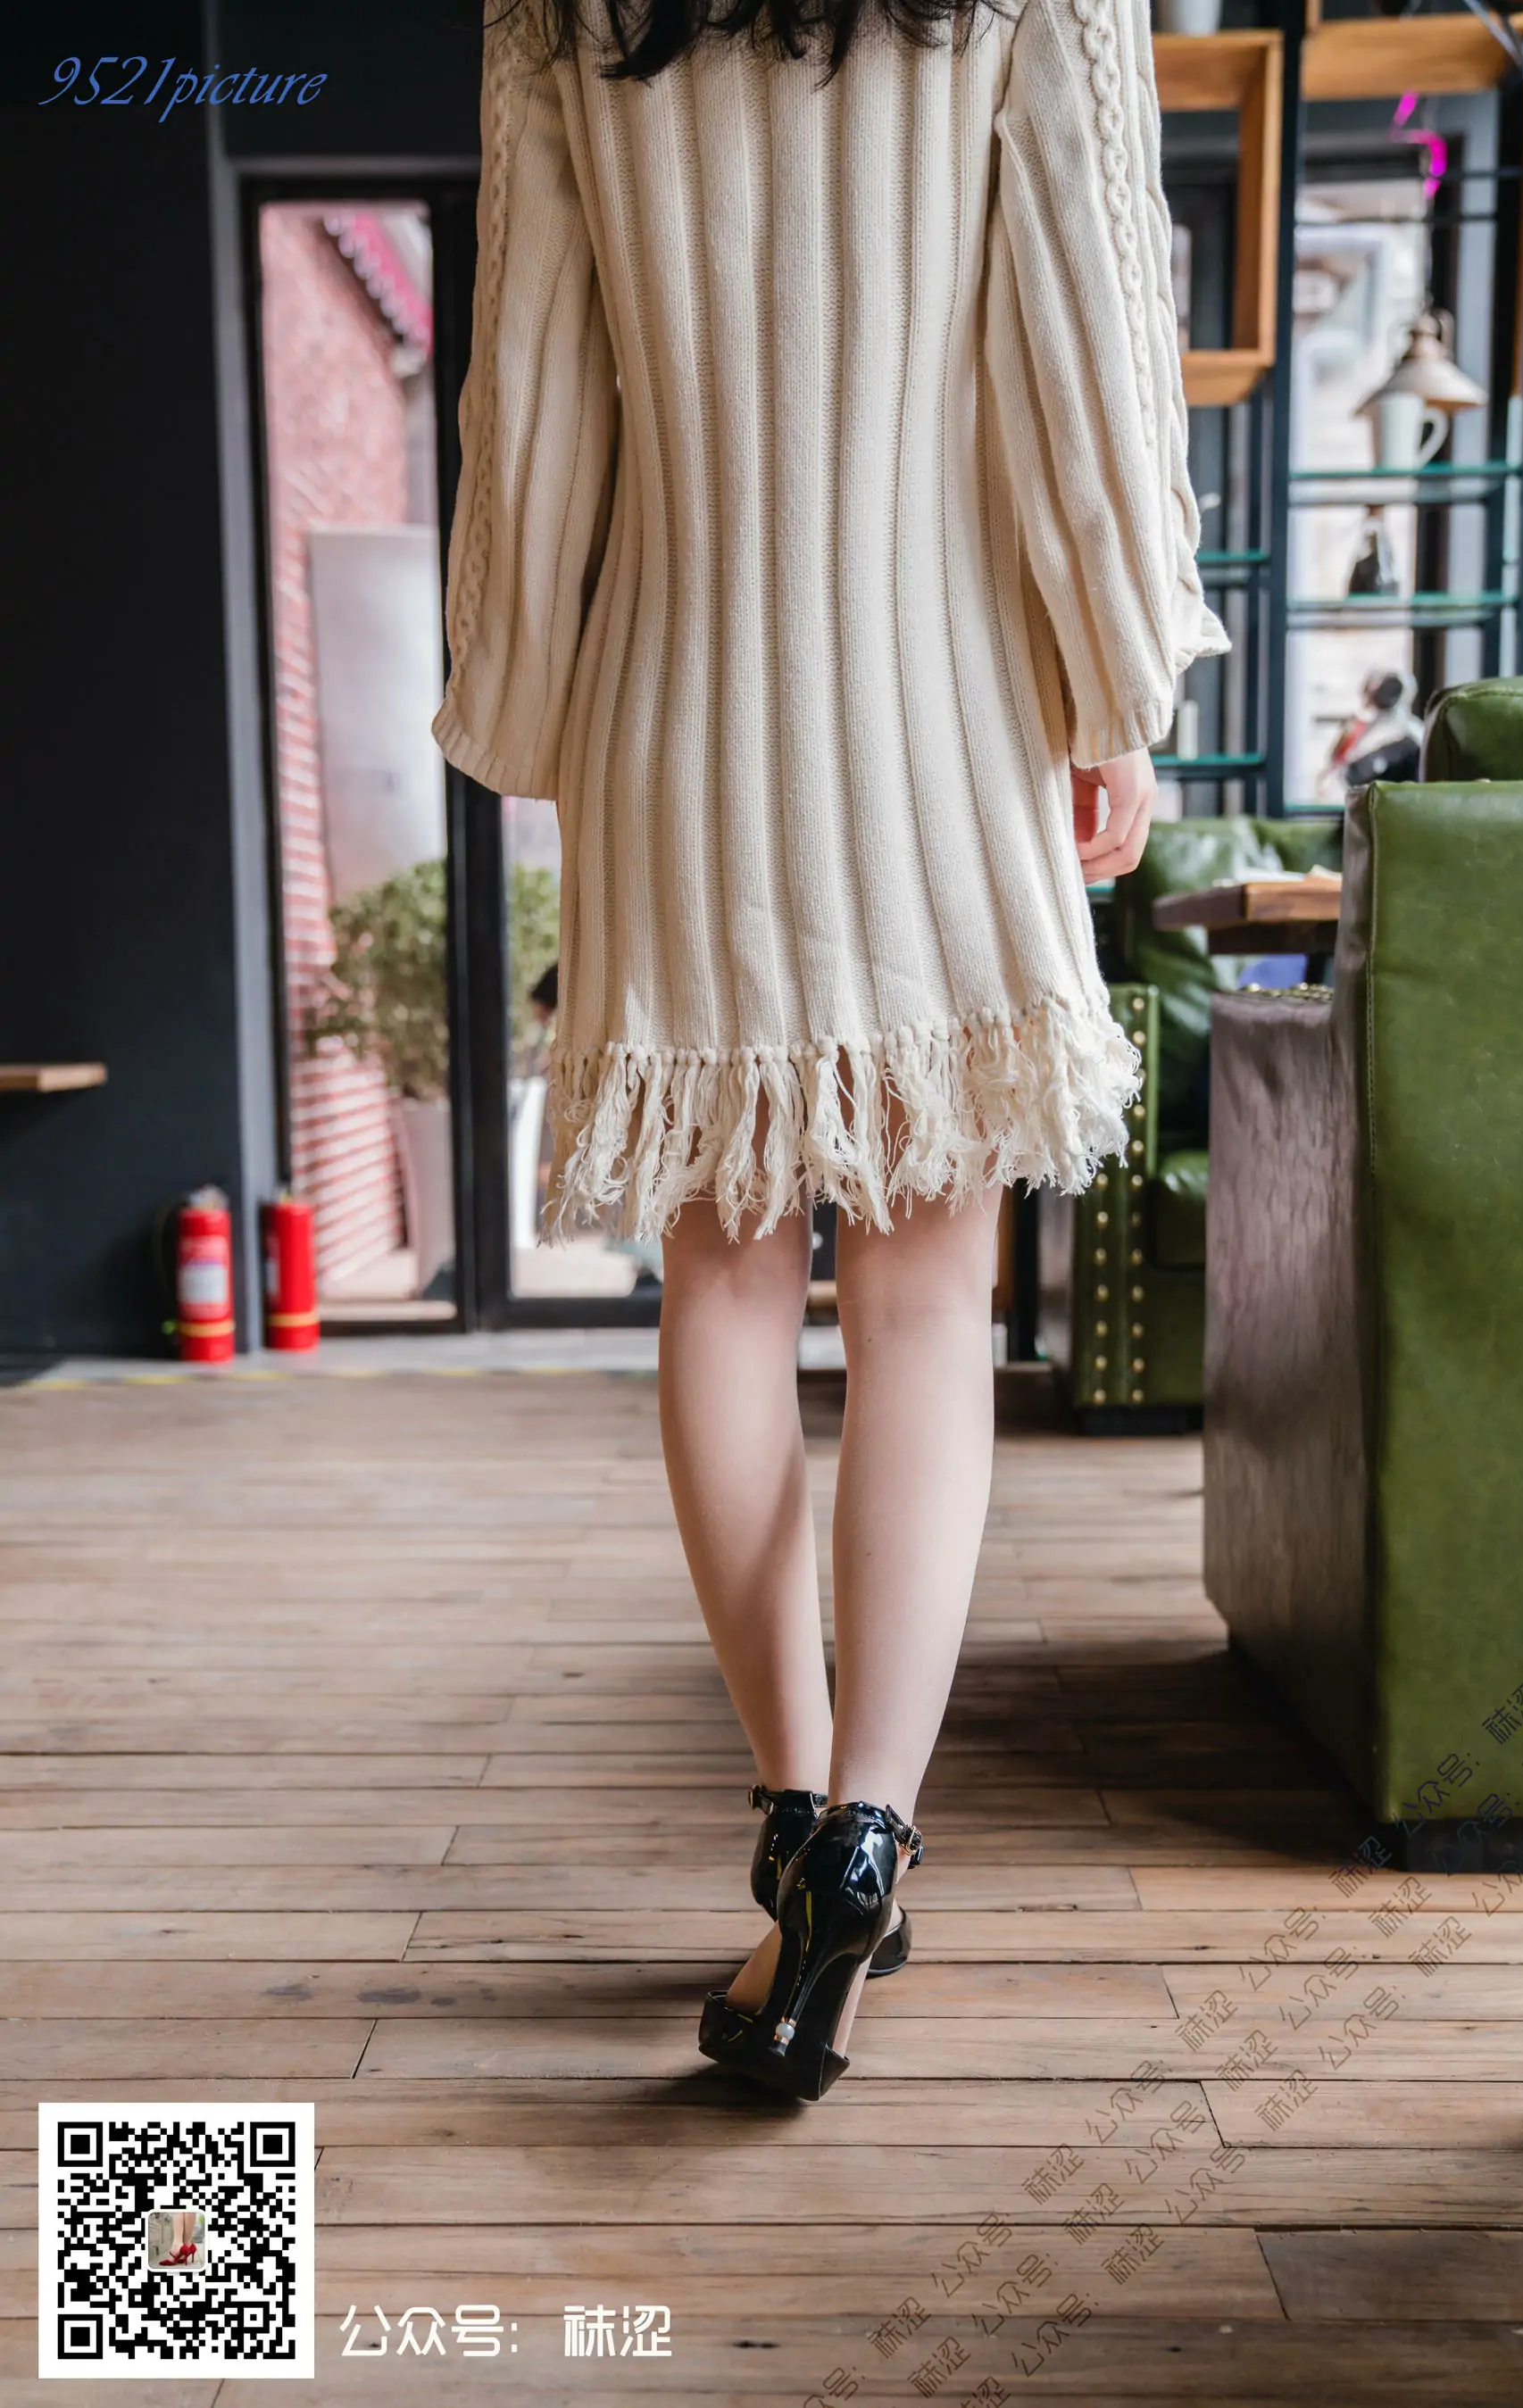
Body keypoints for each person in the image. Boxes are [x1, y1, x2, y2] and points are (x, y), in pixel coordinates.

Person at [434, 0, 1228, 2100]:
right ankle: (871, 1826)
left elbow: (527, 369)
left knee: (718, 1276)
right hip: (945, 699)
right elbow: (1086, 314)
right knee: (927, 1296)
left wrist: (524, 699)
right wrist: (1115, 674)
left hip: (674, 695)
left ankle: (801, 1834)